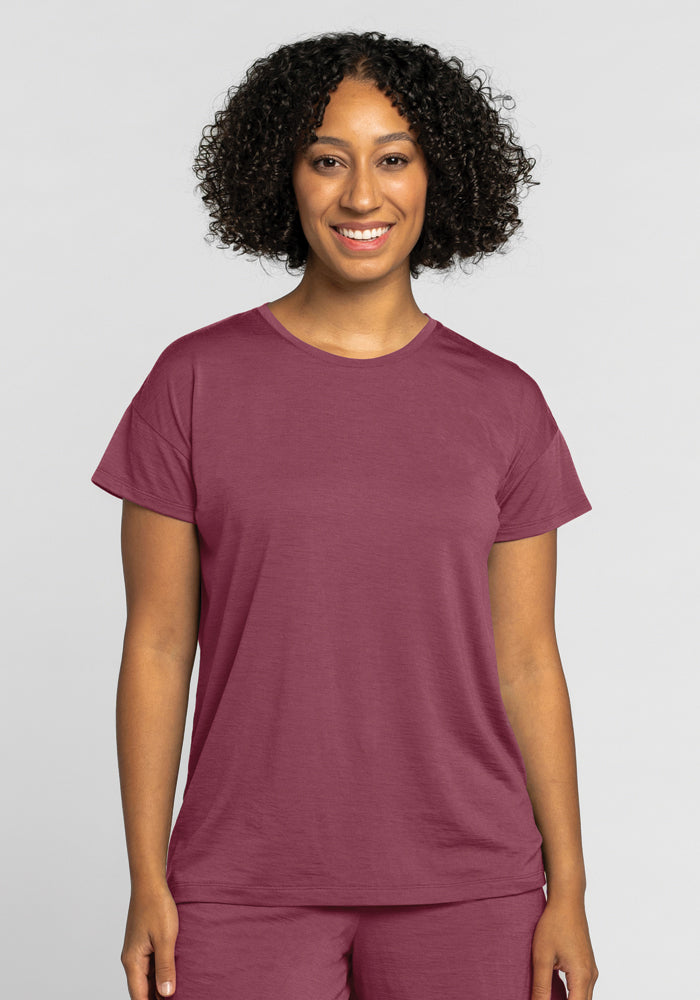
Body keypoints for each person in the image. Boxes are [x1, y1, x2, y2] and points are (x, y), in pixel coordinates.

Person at [91, 30, 599, 1000]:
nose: (362, 196)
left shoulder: (505, 403)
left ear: (437, 176)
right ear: (281, 177)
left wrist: (568, 887)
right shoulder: (191, 383)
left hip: (471, 885)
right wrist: (147, 878)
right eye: (328, 160)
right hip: (241, 883)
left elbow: (529, 659)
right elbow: (155, 644)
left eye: (392, 158)